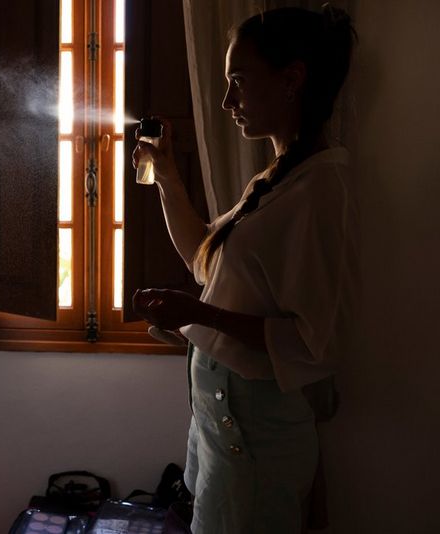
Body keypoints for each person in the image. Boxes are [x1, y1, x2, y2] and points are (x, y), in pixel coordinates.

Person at [131, 6, 357, 533]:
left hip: (255, 443)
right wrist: (166, 176)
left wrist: (201, 315)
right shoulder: (277, 180)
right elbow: (202, 258)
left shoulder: (320, 190)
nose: (226, 101)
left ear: (292, 80)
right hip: (224, 427)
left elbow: (315, 340)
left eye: (238, 81)